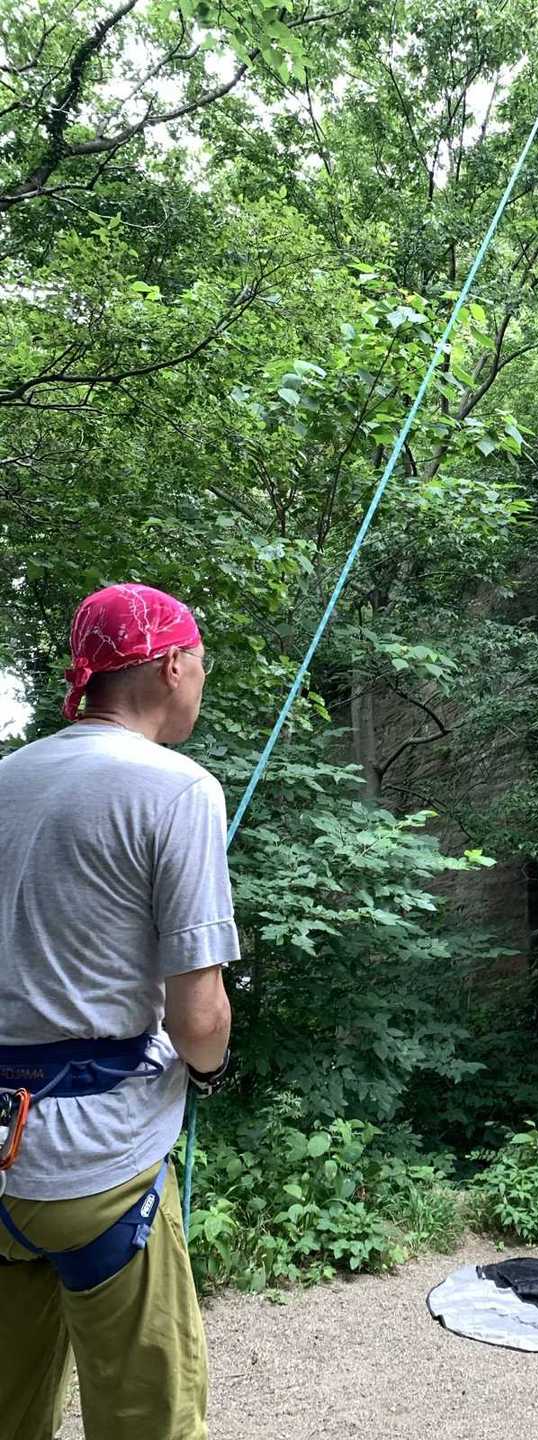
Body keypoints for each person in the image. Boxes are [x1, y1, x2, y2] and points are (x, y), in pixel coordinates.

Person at [0, 583, 236, 1440]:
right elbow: (197, 1017)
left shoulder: (7, 778)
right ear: (171, 665)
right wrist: (212, 1072)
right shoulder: (177, 789)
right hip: (98, 1167)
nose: (201, 679)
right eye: (200, 663)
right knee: (148, 1419)